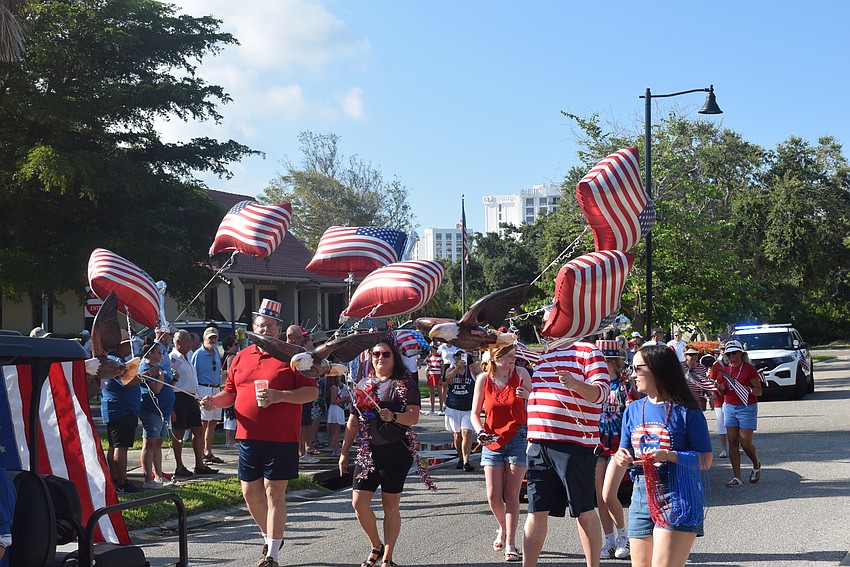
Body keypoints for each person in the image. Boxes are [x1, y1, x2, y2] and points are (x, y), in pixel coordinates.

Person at [200, 299, 318, 567]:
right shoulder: (241, 356)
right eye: (261, 326)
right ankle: (270, 537)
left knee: (273, 492)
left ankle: (272, 555)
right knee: (249, 492)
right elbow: (230, 393)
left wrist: (278, 396)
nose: (266, 331)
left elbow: (311, 392)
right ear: (252, 328)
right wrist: (212, 401)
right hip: (248, 435)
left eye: (271, 327)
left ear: (279, 329)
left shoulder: (294, 356)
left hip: (281, 437)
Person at [606, 345, 713, 567]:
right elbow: (623, 452)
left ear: (658, 370)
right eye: (631, 367)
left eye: (638, 368)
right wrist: (620, 459)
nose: (632, 374)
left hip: (678, 495)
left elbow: (706, 459)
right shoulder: (633, 409)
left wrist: (670, 455)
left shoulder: (688, 411)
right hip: (640, 495)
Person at [522, 338, 610, 567]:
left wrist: (574, 384)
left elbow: (601, 393)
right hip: (539, 443)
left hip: (576, 443)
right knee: (535, 510)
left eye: (549, 320)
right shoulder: (544, 354)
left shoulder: (587, 350)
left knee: (583, 510)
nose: (545, 328)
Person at [339, 338, 422, 567]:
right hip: (368, 452)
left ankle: (387, 556)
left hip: (396, 453)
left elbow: (413, 416)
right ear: (370, 357)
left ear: (394, 357)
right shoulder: (364, 383)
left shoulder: (405, 383)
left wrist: (393, 416)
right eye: (376, 354)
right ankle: (376, 544)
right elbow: (353, 419)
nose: (380, 358)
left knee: (390, 506)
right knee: (358, 503)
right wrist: (344, 451)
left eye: (386, 354)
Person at [469, 343, 532, 562]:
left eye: (514, 356)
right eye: (508, 356)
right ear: (495, 359)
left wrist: (529, 395)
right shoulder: (483, 379)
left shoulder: (521, 373)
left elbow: (535, 404)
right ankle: (503, 528)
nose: (513, 359)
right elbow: (475, 414)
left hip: (518, 436)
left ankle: (511, 543)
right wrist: (479, 432)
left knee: (512, 493)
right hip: (491, 437)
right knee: (493, 495)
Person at [595, 340, 636, 561]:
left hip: (619, 445)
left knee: (608, 494)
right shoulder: (592, 384)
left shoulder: (623, 385)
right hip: (597, 444)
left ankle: (623, 536)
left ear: (610, 361)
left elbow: (633, 413)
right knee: (599, 496)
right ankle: (609, 540)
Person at [714, 340, 762, 487]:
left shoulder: (749, 369)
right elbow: (723, 391)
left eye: (734, 352)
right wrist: (718, 388)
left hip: (747, 407)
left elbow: (759, 391)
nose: (731, 356)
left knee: (745, 442)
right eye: (728, 353)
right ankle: (737, 477)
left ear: (741, 353)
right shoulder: (725, 371)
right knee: (732, 442)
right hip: (729, 407)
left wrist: (748, 390)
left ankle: (756, 464)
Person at [101, 330, 142, 493]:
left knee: (114, 445)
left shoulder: (114, 360)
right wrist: (142, 375)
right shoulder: (114, 362)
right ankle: (122, 481)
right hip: (121, 408)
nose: (130, 347)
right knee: (121, 446)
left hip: (118, 407)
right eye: (127, 344)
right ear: (120, 345)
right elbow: (128, 381)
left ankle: (115, 478)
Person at [170, 329, 215, 477]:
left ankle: (199, 464)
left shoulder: (188, 355)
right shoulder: (174, 359)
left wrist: (195, 396)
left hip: (191, 396)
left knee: (198, 429)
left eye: (190, 340)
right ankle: (179, 466)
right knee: (179, 432)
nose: (190, 344)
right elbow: (172, 380)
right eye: (187, 341)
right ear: (178, 343)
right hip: (179, 397)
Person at [138, 338, 176, 489]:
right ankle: (148, 479)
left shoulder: (158, 368)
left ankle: (158, 475)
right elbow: (157, 389)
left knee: (158, 442)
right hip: (152, 410)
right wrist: (159, 374)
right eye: (159, 352)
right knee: (149, 442)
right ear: (151, 353)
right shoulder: (145, 369)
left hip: (164, 410)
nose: (162, 355)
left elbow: (167, 386)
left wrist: (175, 379)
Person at [193, 327, 224, 465]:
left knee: (213, 422)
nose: (212, 340)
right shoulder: (198, 354)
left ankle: (208, 451)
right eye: (210, 337)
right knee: (204, 423)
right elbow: (193, 374)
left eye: (215, 337)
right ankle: (200, 452)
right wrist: (196, 394)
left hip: (216, 389)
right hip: (203, 388)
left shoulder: (216, 352)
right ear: (204, 338)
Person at [444, 350, 477, 472]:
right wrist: (457, 368)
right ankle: (460, 457)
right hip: (453, 407)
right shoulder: (450, 369)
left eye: (462, 355)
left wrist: (474, 356)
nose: (460, 357)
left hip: (468, 407)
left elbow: (485, 367)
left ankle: (466, 461)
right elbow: (447, 380)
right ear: (454, 357)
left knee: (467, 433)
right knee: (457, 435)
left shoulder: (471, 369)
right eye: (457, 355)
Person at [708, 344, 729, 458]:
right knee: (721, 424)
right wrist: (712, 392)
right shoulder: (716, 365)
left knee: (734, 424)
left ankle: (737, 446)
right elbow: (711, 379)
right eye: (722, 349)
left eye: (726, 349)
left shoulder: (734, 364)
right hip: (719, 397)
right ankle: (724, 449)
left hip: (731, 397)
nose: (725, 352)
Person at [221, 335, 240, 448]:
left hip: (224, 386)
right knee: (231, 414)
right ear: (229, 346)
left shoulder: (224, 356)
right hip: (230, 387)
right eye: (235, 344)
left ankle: (229, 439)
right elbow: (230, 372)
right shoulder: (231, 357)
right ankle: (230, 440)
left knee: (228, 415)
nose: (237, 347)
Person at [326, 373, 350, 456]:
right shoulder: (334, 388)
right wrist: (344, 399)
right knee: (336, 430)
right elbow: (333, 401)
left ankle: (336, 448)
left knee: (337, 430)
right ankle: (335, 449)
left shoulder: (337, 387)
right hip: (335, 409)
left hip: (337, 408)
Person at [425, 344, 444, 415]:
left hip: (438, 375)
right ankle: (432, 410)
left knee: (440, 393)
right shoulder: (428, 357)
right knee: (431, 393)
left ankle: (441, 409)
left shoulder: (440, 358)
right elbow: (427, 365)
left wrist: (441, 377)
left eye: (433, 349)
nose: (431, 350)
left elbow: (442, 368)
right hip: (430, 375)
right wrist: (427, 369)